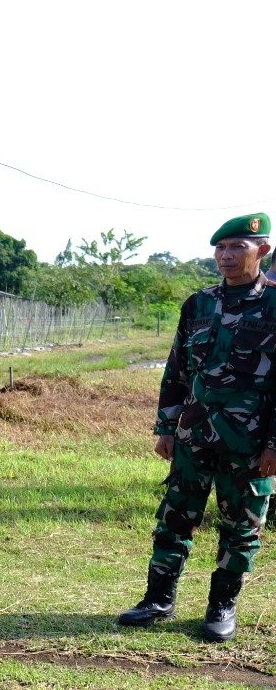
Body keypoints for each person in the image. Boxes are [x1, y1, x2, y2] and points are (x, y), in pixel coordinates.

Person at [119, 212, 276, 643]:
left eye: (237, 248)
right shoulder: (199, 304)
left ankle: (222, 605)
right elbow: (176, 371)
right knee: (174, 517)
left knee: (241, 524)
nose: (225, 256)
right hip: (193, 435)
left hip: (250, 442)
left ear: (261, 250)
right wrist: (166, 428)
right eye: (220, 248)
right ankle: (158, 598)